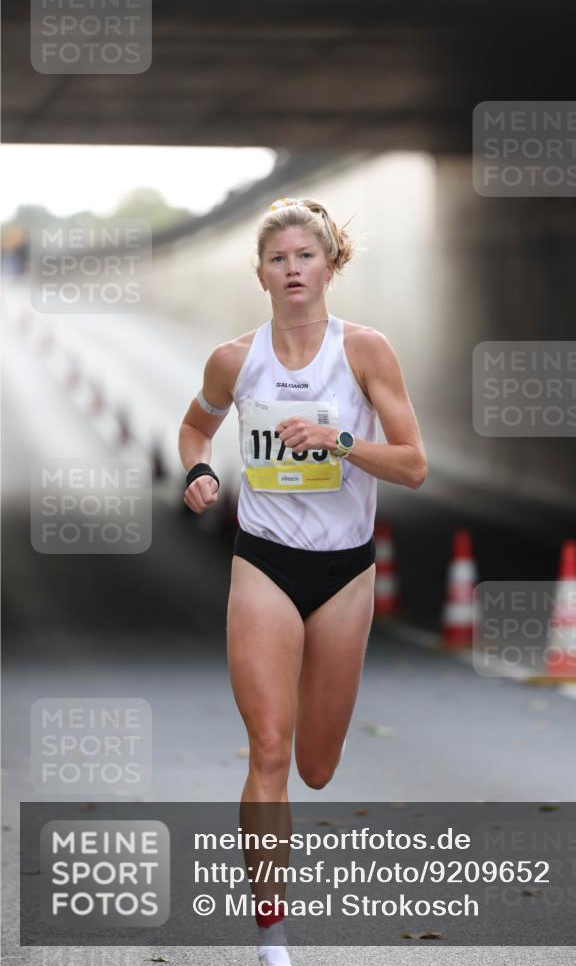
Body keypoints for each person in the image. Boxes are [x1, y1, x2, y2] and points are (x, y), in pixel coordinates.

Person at [178, 197, 427, 966]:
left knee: (316, 766)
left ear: (330, 266)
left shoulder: (365, 352)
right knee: (268, 749)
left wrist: (340, 440)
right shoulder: (234, 359)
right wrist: (195, 469)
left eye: (305, 257)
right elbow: (196, 425)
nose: (292, 269)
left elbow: (414, 464)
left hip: (344, 571)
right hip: (264, 560)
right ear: (260, 273)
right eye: (278, 259)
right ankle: (271, 935)